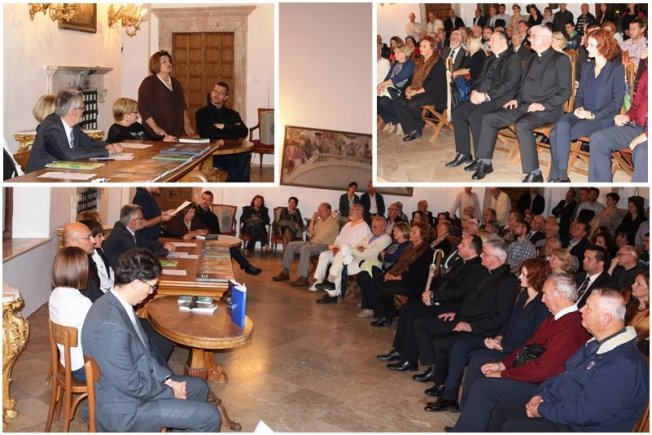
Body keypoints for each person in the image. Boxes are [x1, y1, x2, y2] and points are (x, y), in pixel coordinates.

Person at [81, 249, 220, 432]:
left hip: (134, 389)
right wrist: (170, 391)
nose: (152, 292)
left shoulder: (119, 304)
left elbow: (143, 355)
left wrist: (167, 379)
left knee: (199, 387)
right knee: (210, 416)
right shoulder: (110, 325)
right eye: (152, 286)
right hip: (125, 410)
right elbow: (131, 384)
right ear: (136, 283)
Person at [493, 289, 649, 432]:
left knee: (513, 427)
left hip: (583, 428)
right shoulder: (595, 343)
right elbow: (563, 375)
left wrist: (542, 409)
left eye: (588, 308)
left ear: (606, 318)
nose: (581, 310)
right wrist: (541, 396)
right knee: (506, 409)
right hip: (564, 409)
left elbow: (588, 413)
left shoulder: (623, 364)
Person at [451, 273, 590, 431]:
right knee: (481, 366)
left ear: (562, 295)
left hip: (543, 387)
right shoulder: (555, 318)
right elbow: (528, 347)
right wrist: (502, 364)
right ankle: (470, 421)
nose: (542, 299)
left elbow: (543, 370)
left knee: (485, 388)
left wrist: (504, 374)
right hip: (534, 375)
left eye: (545, 294)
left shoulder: (571, 329)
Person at [423, 257, 550, 412]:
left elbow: (533, 340)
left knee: (473, 357)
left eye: (524, 275)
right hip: (501, 341)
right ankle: (450, 397)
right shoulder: (524, 296)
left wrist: (503, 347)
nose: (520, 277)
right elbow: (508, 322)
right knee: (460, 346)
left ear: (535, 278)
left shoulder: (541, 306)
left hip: (512, 350)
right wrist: (499, 337)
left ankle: (462, 405)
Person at [468, 25, 572, 182]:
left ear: (545, 38)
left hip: (548, 110)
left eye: (533, 36)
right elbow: (521, 85)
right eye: (530, 36)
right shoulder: (530, 58)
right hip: (524, 105)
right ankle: (485, 162)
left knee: (522, 124)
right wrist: (516, 99)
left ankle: (534, 173)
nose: (529, 39)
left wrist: (543, 105)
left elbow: (566, 92)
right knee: (489, 118)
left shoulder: (560, 59)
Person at [408, 239, 518, 381]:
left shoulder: (507, 282)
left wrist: (471, 326)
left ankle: (439, 378)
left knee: (441, 341)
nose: (481, 256)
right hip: (465, 318)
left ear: (495, 259)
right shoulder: (487, 272)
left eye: (484, 254)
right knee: (422, 324)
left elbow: (501, 317)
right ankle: (434, 368)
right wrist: (456, 313)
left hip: (481, 329)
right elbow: (470, 299)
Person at [549, 30, 625, 182]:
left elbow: (617, 103)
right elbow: (580, 95)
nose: (587, 48)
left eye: (591, 45)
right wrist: (579, 108)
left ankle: (557, 176)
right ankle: (562, 174)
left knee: (554, 134)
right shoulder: (587, 67)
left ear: (603, 46)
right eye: (587, 44)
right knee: (561, 123)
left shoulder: (616, 69)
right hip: (582, 113)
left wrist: (592, 115)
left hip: (601, 119)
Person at [447, 30, 522, 169]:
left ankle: (480, 158)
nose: (489, 42)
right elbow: (479, 79)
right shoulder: (489, 59)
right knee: (458, 113)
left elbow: (508, 84)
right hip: (483, 96)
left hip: (501, 99)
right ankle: (464, 153)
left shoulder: (513, 58)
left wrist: (486, 96)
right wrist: (474, 91)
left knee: (476, 116)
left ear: (503, 41)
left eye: (492, 39)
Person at [26, 89, 122, 172]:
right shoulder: (51, 127)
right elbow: (67, 155)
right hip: (40, 177)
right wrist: (105, 152)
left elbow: (88, 142)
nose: (84, 111)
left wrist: (107, 146)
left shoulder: (73, 125)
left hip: (61, 172)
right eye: (82, 108)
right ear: (73, 111)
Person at [588, 59, 647, 182]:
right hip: (638, 126)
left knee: (642, 152)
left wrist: (645, 135)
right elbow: (636, 106)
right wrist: (627, 116)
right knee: (598, 138)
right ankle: (601, 185)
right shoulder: (647, 73)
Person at [369, 223, 435, 327]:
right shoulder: (410, 247)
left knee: (384, 288)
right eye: (411, 231)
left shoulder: (427, 252)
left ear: (422, 235)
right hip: (404, 278)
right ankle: (383, 314)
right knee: (376, 281)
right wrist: (389, 273)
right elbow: (399, 263)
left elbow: (416, 275)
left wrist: (394, 277)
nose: (410, 233)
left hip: (414, 284)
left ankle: (387, 317)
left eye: (414, 232)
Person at [314, 215, 391, 302]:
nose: (373, 229)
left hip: (366, 263)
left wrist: (354, 250)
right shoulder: (370, 236)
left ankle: (331, 290)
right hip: (356, 257)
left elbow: (371, 253)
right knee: (341, 257)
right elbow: (358, 246)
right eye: (372, 226)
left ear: (384, 227)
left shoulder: (386, 239)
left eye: (376, 227)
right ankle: (331, 288)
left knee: (341, 260)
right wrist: (360, 249)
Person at [49, 246, 94, 382]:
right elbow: (97, 335)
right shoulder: (82, 302)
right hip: (85, 368)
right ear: (81, 271)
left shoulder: (55, 294)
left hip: (67, 362)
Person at [313, 204, 372, 303]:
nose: (349, 212)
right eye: (350, 210)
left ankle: (332, 293)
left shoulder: (364, 228)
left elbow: (363, 247)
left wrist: (343, 251)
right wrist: (335, 247)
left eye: (352, 210)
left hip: (353, 257)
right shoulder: (348, 225)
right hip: (339, 252)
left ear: (360, 212)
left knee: (339, 260)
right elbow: (338, 238)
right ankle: (319, 281)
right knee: (324, 255)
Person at [194, 190, 262, 275]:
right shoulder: (194, 213)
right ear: (200, 198)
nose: (205, 201)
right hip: (198, 238)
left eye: (208, 200)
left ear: (211, 202)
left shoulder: (213, 216)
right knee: (228, 247)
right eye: (204, 198)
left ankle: (245, 267)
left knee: (230, 246)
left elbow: (217, 233)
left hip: (211, 238)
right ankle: (246, 266)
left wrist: (222, 240)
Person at [195, 81, 251, 182]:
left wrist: (224, 126)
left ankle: (234, 185)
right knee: (239, 163)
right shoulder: (202, 113)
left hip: (231, 153)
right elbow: (207, 133)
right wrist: (232, 131)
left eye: (221, 93)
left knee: (244, 154)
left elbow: (243, 131)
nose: (216, 95)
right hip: (212, 154)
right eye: (215, 91)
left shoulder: (233, 114)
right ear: (211, 92)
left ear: (226, 97)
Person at [394, 35, 447, 142]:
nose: (421, 48)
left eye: (424, 46)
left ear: (432, 48)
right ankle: (412, 129)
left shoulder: (438, 62)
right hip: (418, 90)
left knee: (412, 103)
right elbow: (412, 78)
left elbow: (434, 84)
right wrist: (408, 88)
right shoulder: (420, 60)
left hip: (434, 93)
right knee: (398, 101)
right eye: (420, 46)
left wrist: (415, 92)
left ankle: (418, 126)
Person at [273, 202, 339, 287]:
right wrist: (313, 218)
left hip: (325, 246)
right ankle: (285, 273)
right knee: (291, 245)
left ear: (329, 211)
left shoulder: (333, 222)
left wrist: (313, 237)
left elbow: (321, 238)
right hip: (314, 243)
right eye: (319, 211)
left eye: (322, 211)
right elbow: (309, 233)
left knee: (305, 249)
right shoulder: (320, 221)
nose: (319, 213)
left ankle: (303, 278)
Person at [138, 50, 194, 140]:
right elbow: (143, 108)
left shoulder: (175, 82)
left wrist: (186, 122)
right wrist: (155, 128)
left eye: (169, 61)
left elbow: (182, 105)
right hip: (155, 134)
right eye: (164, 61)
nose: (168, 63)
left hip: (175, 132)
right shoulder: (149, 82)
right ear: (156, 64)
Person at [103, 205, 172, 269]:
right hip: (117, 271)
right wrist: (165, 250)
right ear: (133, 222)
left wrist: (163, 246)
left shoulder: (133, 229)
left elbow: (147, 244)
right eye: (141, 218)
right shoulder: (121, 234)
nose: (143, 220)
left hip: (129, 266)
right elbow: (138, 254)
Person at [378, 43, 416, 136]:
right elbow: (388, 77)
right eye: (395, 53)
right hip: (392, 88)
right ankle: (392, 121)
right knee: (376, 101)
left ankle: (399, 122)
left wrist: (385, 84)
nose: (395, 55)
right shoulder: (395, 64)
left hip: (403, 90)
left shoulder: (410, 64)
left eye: (398, 53)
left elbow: (400, 77)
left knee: (383, 102)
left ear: (405, 53)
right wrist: (381, 85)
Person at [62, 222, 104, 303]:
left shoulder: (85, 259)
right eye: (88, 237)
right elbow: (91, 299)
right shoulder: (72, 269)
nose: (93, 241)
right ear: (73, 242)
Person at [80, 219, 114, 294]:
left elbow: (109, 270)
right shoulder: (87, 258)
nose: (103, 238)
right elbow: (100, 280)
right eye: (99, 236)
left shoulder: (99, 250)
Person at [627, 271, 649, 355]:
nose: (632, 285)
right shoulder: (631, 306)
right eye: (634, 282)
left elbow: (635, 338)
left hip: (640, 353)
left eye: (638, 284)